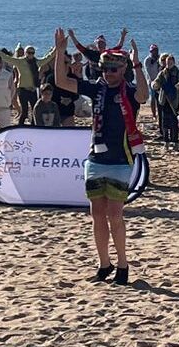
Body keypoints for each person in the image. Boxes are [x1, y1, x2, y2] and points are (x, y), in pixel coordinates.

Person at [53, 29, 145, 283]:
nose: (108, 74)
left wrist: (137, 63)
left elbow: (145, 96)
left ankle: (123, 265)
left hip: (120, 161)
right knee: (96, 215)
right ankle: (104, 264)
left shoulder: (128, 92)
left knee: (115, 215)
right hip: (95, 160)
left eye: (113, 70)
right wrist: (60, 52)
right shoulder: (96, 90)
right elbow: (62, 82)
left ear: (122, 70)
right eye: (105, 70)